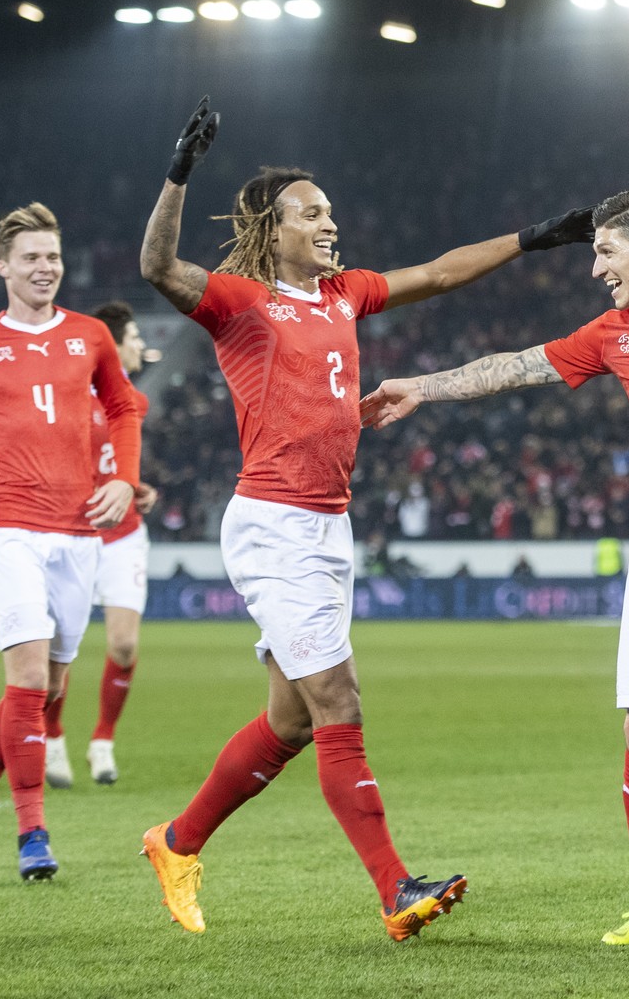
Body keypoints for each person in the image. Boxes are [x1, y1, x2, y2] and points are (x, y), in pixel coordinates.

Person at [136, 97, 594, 938]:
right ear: (273, 232)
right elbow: (159, 266)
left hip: (326, 525)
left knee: (290, 719)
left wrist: (535, 237)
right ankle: (395, 889)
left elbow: (440, 272)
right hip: (275, 524)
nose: (329, 223)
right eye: (312, 214)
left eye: (331, 211)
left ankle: (177, 840)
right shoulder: (241, 301)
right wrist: (179, 169)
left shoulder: (344, 295)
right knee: (339, 703)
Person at [362, 186, 629, 948]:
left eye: (605, 252)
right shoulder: (614, 333)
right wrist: (421, 389)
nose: (595, 269)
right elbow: (516, 367)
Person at [0, 202, 140, 881]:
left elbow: (125, 408)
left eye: (54, 258)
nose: (46, 268)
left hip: (79, 531)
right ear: (3, 267)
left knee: (46, 691)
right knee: (30, 676)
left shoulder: (92, 336)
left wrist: (125, 480)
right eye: (32, 258)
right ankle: (33, 835)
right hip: (6, 524)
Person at [43, 301, 159, 788]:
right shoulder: (68, 394)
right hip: (73, 532)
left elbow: (116, 459)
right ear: (110, 344)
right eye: (133, 338)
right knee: (57, 653)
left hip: (124, 536)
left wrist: (137, 487)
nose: (139, 347)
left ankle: (102, 740)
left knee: (124, 643)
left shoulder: (136, 401)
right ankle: (51, 738)